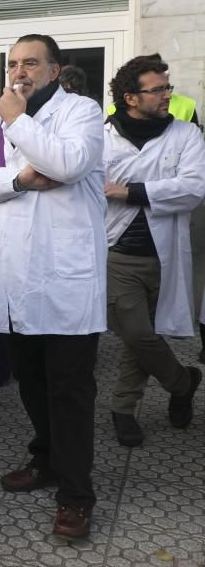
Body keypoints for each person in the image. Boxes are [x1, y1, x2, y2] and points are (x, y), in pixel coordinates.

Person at [0, 34, 106, 539]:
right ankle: (45, 458)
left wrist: (17, 121)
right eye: (13, 63)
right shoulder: (0, 117)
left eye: (31, 63)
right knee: (30, 378)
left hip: (65, 280)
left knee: (70, 388)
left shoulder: (81, 112)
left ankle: (75, 496)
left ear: (54, 70)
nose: (19, 72)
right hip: (15, 276)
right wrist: (18, 180)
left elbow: (66, 164)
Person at [102, 54, 205, 446]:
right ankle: (182, 382)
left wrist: (129, 190)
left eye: (167, 86)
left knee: (140, 336)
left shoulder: (186, 135)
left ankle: (124, 409)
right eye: (158, 89)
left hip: (165, 255)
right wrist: (160, 185)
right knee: (138, 332)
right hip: (119, 254)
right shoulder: (103, 134)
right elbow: (94, 185)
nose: (167, 95)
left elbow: (193, 189)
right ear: (130, 97)